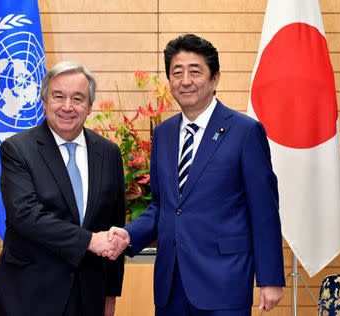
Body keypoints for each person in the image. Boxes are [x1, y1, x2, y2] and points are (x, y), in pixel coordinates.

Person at [107, 34, 285, 315]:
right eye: (177, 73)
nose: (185, 81)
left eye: (195, 71)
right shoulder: (163, 134)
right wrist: (128, 235)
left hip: (224, 281)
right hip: (171, 283)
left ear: (215, 79)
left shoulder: (245, 132)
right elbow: (162, 206)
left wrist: (270, 279)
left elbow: (264, 211)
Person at [0, 61, 126, 316]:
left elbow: (114, 224)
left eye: (78, 98)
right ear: (44, 101)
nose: (67, 107)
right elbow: (25, 216)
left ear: (90, 106)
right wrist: (89, 241)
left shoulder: (109, 152)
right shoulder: (18, 150)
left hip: (88, 296)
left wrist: (110, 293)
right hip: (29, 295)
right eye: (58, 96)